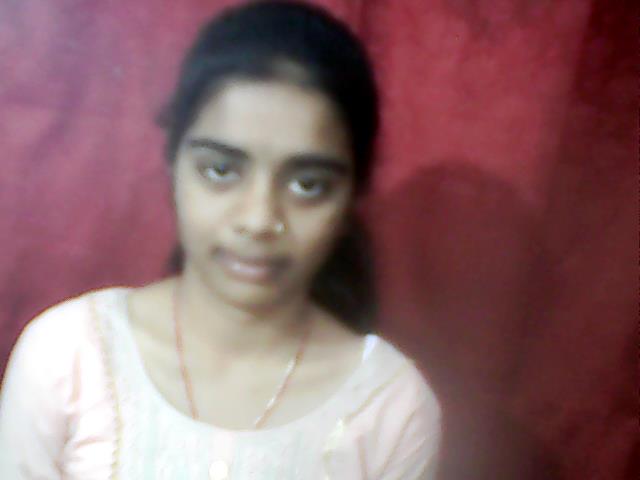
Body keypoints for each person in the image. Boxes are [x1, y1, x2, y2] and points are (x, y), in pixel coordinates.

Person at [0, 1, 441, 478]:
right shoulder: (69, 356)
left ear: (352, 195)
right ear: (173, 165)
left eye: (308, 184)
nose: (259, 220)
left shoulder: (390, 408)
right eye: (221, 170)